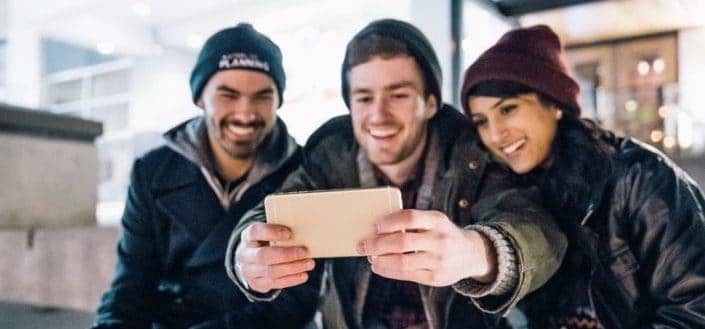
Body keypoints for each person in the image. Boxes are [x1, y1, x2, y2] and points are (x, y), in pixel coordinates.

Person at [225, 19, 566, 329]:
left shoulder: (470, 155)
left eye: (398, 95)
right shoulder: (330, 157)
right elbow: (272, 212)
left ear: (430, 103)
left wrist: (478, 253)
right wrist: (247, 256)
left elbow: (535, 226)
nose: (378, 115)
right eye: (363, 97)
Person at [461, 24, 705, 328]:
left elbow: (694, 310)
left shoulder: (640, 178)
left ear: (554, 104)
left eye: (508, 109)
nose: (495, 134)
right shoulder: (513, 194)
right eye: (481, 121)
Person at [93, 23, 321, 328]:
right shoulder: (153, 173)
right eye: (228, 95)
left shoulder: (307, 174)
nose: (245, 112)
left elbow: (295, 305)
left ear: (278, 101)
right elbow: (131, 287)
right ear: (200, 97)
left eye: (262, 96)